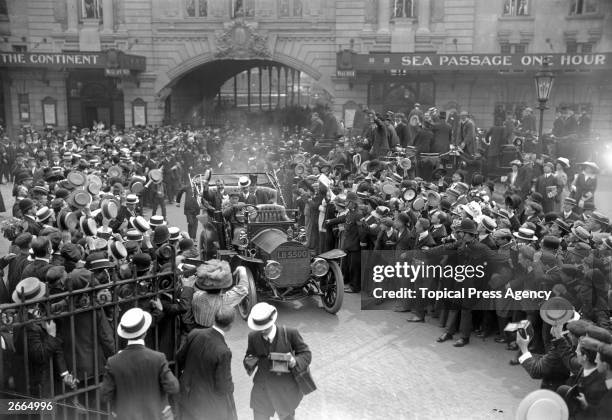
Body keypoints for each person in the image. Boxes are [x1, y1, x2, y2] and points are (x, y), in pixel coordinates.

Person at [100, 307, 179, 420]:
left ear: (125, 334)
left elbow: (104, 395)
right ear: (145, 333)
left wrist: (115, 408)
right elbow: (173, 387)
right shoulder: (158, 358)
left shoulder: (113, 362)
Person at [244, 302, 312, 420]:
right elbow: (249, 356)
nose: (262, 331)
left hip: (285, 391)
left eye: (265, 328)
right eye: (259, 328)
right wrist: (249, 361)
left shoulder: (291, 333)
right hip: (262, 390)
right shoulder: (253, 337)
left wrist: (294, 361)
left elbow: (306, 354)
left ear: (272, 321)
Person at [176, 306, 238, 420]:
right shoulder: (224, 351)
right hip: (207, 406)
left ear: (214, 319)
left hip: (186, 395)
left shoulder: (195, 333)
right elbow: (223, 386)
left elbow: (180, 357)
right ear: (230, 326)